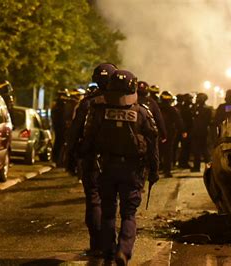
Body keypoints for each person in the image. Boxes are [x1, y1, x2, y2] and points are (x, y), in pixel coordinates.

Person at [80, 69, 159, 265]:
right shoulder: (141, 112)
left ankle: (108, 250)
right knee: (128, 213)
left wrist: (81, 161)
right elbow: (153, 141)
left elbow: (88, 139)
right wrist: (154, 171)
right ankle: (123, 251)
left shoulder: (98, 110)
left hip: (106, 167)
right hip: (132, 170)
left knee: (108, 211)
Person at [64, 63, 117, 256]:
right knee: (110, 202)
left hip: (92, 160)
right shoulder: (124, 102)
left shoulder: (88, 103)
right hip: (117, 161)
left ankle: (97, 245)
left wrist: (69, 154)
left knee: (94, 201)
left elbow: (74, 133)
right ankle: (110, 244)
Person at [158, 91, 185, 177]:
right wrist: (183, 131)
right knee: (168, 152)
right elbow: (178, 121)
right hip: (168, 133)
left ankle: (156, 169)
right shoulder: (172, 109)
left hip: (158, 133)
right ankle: (167, 171)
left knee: (157, 151)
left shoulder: (156, 108)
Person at [190, 93, 212, 172]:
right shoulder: (207, 109)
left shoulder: (200, 108)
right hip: (202, 132)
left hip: (199, 132)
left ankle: (197, 167)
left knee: (199, 150)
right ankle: (209, 166)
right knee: (203, 150)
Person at [175, 93, 193, 168]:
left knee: (184, 147)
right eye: (190, 99)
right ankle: (183, 162)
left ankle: (181, 162)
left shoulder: (186, 108)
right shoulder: (185, 108)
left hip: (184, 130)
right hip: (185, 130)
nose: (191, 100)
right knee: (185, 147)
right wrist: (184, 130)